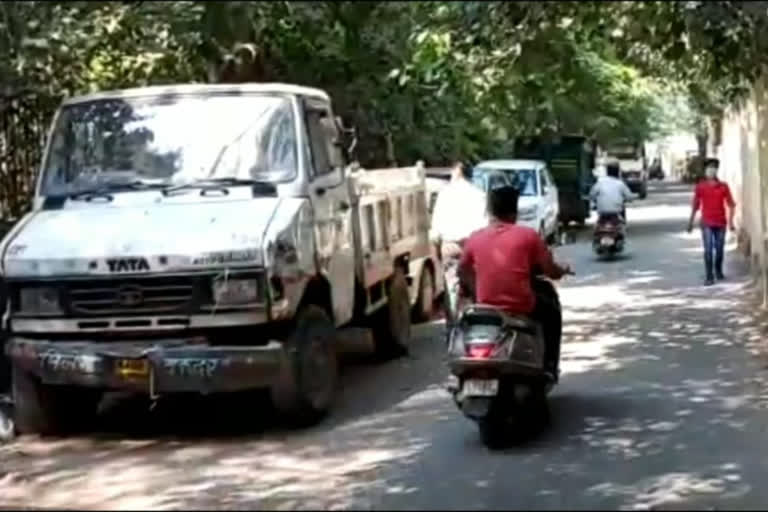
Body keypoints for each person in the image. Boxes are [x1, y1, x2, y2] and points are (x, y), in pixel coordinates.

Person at [458, 186, 571, 379]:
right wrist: (562, 270)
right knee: (551, 313)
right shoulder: (528, 235)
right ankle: (549, 365)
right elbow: (550, 270)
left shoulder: (475, 237)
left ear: (491, 210)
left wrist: (475, 290)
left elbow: (462, 270)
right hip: (521, 305)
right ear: (515, 210)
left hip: (484, 306)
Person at [430, 160, 488, 331]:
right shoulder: (478, 194)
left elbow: (436, 226)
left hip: (450, 246)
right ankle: (479, 323)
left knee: (450, 287)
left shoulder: (444, 194)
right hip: (472, 246)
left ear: (457, 172)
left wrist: (436, 247)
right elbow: (484, 226)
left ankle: (452, 328)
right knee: (476, 286)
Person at [687, 157, 736, 286]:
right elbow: (695, 206)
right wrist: (690, 223)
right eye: (709, 169)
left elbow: (731, 204)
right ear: (705, 171)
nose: (711, 171)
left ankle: (718, 270)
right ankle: (709, 276)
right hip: (706, 223)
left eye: (714, 168)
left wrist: (731, 223)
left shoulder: (723, 186)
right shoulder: (700, 187)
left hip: (721, 222)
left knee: (719, 249)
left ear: (716, 171)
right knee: (708, 249)